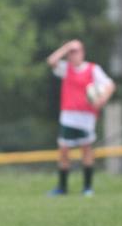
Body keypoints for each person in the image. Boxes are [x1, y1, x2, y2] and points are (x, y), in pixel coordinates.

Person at [46, 38, 114, 196]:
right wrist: (66, 47)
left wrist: (102, 98)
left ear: (82, 52)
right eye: (71, 52)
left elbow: (110, 85)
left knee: (86, 151)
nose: (73, 55)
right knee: (64, 151)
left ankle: (87, 188)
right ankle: (62, 188)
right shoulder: (66, 69)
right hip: (68, 115)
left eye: (75, 51)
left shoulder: (93, 69)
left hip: (86, 116)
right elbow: (51, 61)